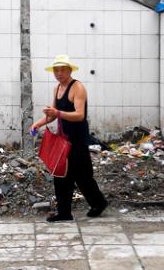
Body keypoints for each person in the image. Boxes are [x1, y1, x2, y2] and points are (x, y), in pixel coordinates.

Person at [31, 54, 108, 222]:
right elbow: (53, 114)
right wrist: (38, 124)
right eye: (56, 70)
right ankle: (64, 212)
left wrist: (58, 113)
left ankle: (99, 203)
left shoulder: (77, 87)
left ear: (70, 70)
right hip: (63, 138)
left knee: (83, 175)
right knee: (60, 174)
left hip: (78, 138)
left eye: (62, 70)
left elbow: (80, 115)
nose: (59, 73)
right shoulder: (57, 88)